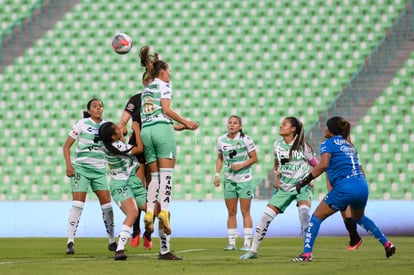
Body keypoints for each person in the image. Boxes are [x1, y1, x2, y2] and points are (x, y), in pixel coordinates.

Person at [292, 116, 396, 262]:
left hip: (345, 187)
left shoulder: (328, 144)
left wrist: (304, 181)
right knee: (359, 217)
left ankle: (306, 254)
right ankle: (387, 243)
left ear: (331, 130)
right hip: (361, 186)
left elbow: (323, 165)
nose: (324, 129)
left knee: (316, 218)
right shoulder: (350, 146)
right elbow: (360, 169)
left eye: (326, 126)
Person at [139, 45, 199, 260]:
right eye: (168, 70)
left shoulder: (145, 89)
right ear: (162, 72)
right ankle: (163, 211)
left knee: (154, 178)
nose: (170, 74)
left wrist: (176, 127)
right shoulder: (165, 85)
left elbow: (153, 115)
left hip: (147, 132)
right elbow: (165, 110)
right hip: (163, 131)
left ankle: (148, 213)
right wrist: (186, 122)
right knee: (167, 177)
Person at [240, 117, 318, 259]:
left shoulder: (303, 146)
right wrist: (276, 177)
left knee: (304, 216)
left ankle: (308, 253)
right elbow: (277, 162)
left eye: (284, 124)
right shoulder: (277, 144)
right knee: (265, 217)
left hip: (302, 187)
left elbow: (316, 164)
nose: (280, 126)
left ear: (293, 129)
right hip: (284, 188)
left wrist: (310, 179)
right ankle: (253, 251)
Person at [63, 98, 116, 255]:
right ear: (89, 110)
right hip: (81, 169)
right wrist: (68, 165)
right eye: (95, 106)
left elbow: (110, 149)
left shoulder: (106, 127)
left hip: (99, 171)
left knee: (107, 206)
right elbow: (66, 146)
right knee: (78, 204)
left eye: (101, 106)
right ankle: (70, 241)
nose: (99, 108)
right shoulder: (82, 124)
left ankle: (112, 241)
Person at [98, 120, 148, 260]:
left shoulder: (109, 144)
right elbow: (139, 149)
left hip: (130, 181)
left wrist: (122, 134)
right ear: (113, 137)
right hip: (120, 185)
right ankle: (120, 249)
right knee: (133, 212)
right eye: (117, 128)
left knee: (154, 209)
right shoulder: (117, 145)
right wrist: (137, 130)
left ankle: (146, 231)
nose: (120, 127)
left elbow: (122, 140)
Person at [118, 72, 154, 250]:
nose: (151, 83)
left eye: (153, 80)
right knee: (137, 188)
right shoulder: (136, 99)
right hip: (139, 145)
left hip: (155, 145)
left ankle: (148, 232)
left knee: (152, 189)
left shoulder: (160, 99)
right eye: (148, 80)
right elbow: (123, 121)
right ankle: (137, 230)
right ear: (143, 81)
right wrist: (122, 128)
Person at [215, 115, 258, 251]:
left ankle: (246, 243)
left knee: (245, 211)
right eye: (230, 123)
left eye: (235, 123)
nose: (232, 125)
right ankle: (232, 243)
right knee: (231, 212)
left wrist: (240, 166)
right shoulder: (221, 140)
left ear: (240, 126)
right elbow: (220, 158)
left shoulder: (246, 139)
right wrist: (217, 174)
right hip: (229, 180)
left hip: (244, 180)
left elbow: (254, 158)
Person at [327, 178, 363, 250]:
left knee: (348, 214)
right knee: (344, 215)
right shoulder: (329, 169)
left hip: (350, 186)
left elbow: (360, 171)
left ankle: (355, 240)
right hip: (339, 188)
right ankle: (354, 238)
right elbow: (328, 179)